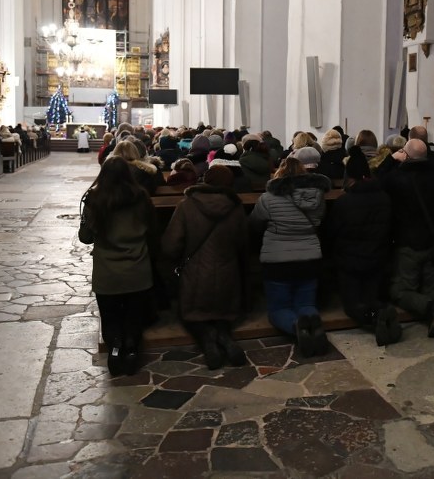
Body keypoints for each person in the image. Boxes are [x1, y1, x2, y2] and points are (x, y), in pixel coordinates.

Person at [160, 164, 248, 370]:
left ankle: (208, 340)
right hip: (227, 273)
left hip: (195, 274)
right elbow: (243, 242)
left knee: (194, 315)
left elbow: (171, 245)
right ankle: (225, 337)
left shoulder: (187, 205)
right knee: (222, 313)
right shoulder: (236, 206)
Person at [78, 156, 155, 377]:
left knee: (110, 314)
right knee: (134, 314)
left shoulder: (95, 198)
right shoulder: (141, 197)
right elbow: (152, 230)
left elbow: (85, 238)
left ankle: (115, 349)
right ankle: (131, 350)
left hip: (107, 270)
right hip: (137, 267)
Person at [380, 138, 434, 338]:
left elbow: (378, 177)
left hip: (408, 243)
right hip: (432, 241)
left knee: (401, 291)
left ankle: (433, 309)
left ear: (405, 155)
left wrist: (392, 158)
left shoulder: (396, 178)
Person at [249, 157, 332, 357]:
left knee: (279, 308)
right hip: (310, 258)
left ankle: (297, 327)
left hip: (278, 262)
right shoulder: (318, 197)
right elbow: (319, 221)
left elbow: (253, 224)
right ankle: (313, 324)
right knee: (306, 304)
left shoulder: (268, 198)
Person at [325, 146, 400, 346]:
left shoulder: (344, 202)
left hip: (349, 263)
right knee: (371, 296)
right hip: (377, 258)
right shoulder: (384, 198)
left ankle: (376, 319)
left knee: (351, 305)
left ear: (349, 177)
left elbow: (332, 232)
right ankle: (381, 312)